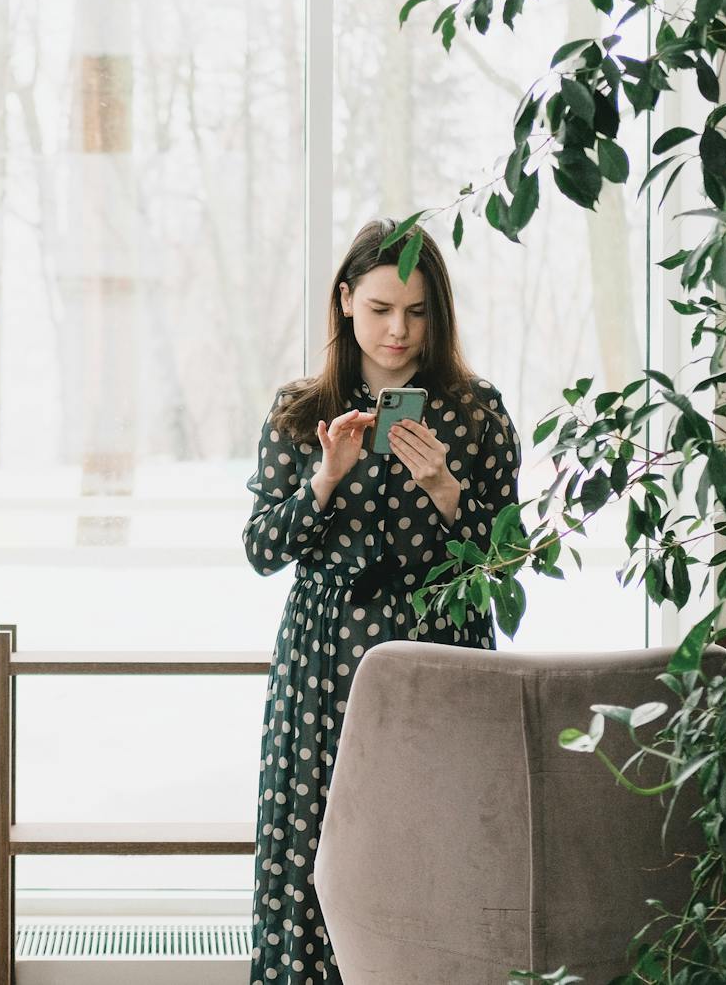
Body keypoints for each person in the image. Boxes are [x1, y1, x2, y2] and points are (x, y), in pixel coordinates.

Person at [243, 218, 521, 984]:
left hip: (443, 655)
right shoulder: (301, 410)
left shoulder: (475, 411)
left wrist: (446, 489)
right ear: (345, 301)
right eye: (379, 308)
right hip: (326, 658)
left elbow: (508, 562)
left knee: (442, 847)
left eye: (417, 311)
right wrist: (325, 478)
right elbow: (261, 550)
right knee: (315, 849)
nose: (398, 329)